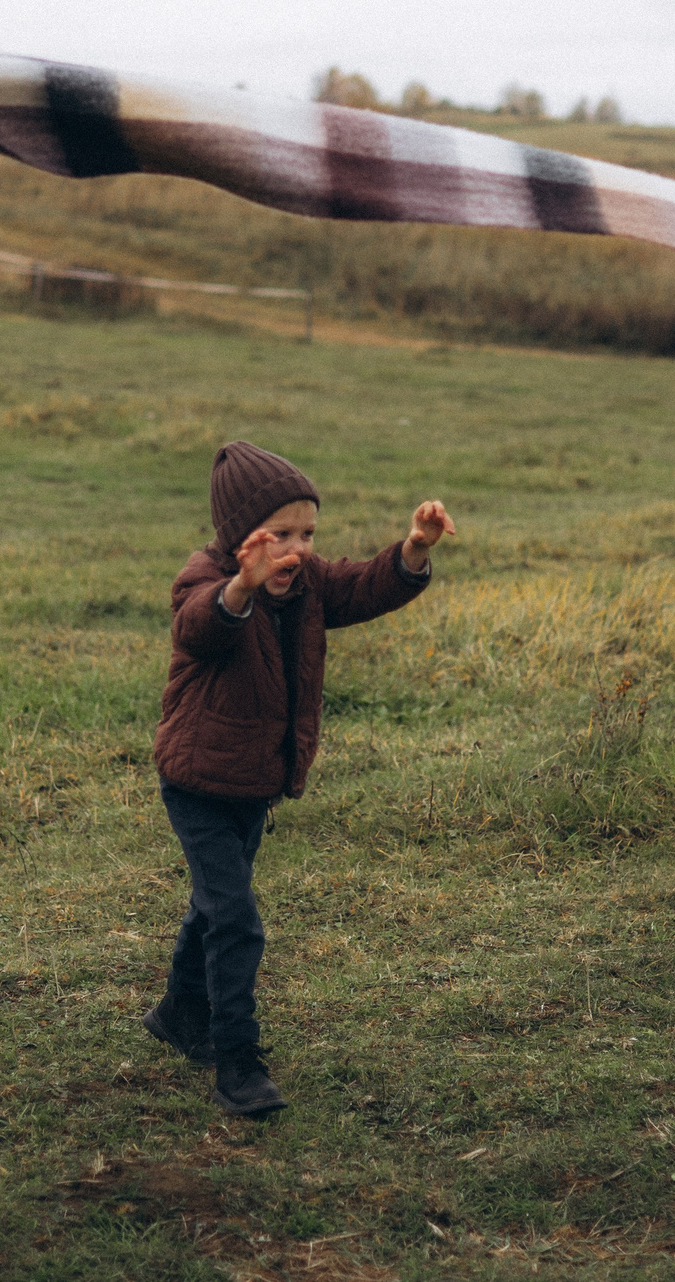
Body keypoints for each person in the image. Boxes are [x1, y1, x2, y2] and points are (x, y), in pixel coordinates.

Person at [142, 442, 455, 1115]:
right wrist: (242, 586)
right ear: (237, 537)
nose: (296, 548)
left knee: (213, 905)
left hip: (254, 782)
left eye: (307, 533)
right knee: (236, 917)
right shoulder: (204, 579)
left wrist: (414, 550)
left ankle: (176, 1013)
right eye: (279, 533)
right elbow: (200, 625)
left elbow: (366, 584)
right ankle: (237, 1063)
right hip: (198, 781)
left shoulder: (309, 583)